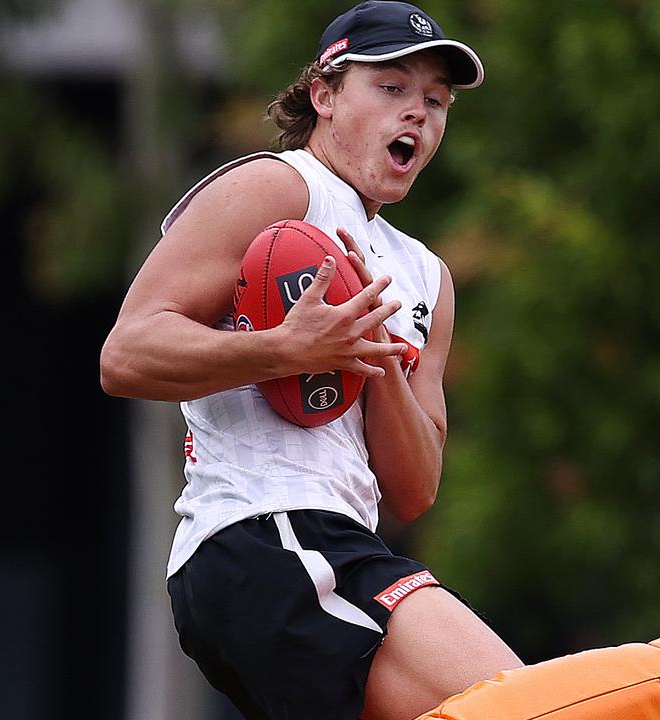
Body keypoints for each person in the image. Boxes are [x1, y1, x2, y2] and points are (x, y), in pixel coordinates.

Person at [99, 2, 524, 719]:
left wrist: (375, 357)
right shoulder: (281, 187)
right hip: (268, 535)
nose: (416, 114)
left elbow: (414, 490)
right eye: (391, 89)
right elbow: (126, 352)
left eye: (434, 101)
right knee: (518, 706)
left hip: (327, 546)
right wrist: (283, 350)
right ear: (323, 95)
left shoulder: (426, 278)